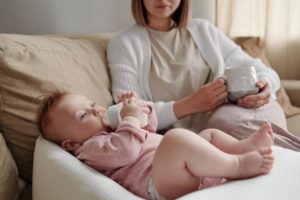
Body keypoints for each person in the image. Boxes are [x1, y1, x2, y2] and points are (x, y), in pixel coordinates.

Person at [106, 0, 300, 150]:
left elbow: (263, 70)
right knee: (222, 126)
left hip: (242, 114)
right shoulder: (123, 44)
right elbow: (122, 113)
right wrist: (191, 104)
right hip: (200, 140)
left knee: (227, 124)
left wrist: (266, 86)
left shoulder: (202, 30)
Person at [38, 91, 274, 200]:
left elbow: (150, 127)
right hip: (160, 184)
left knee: (208, 134)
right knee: (175, 139)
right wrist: (130, 120)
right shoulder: (90, 148)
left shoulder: (115, 126)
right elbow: (126, 150)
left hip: (180, 167)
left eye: (91, 103)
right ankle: (238, 164)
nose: (96, 109)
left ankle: (243, 146)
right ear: (71, 143)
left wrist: (140, 109)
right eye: (84, 115)